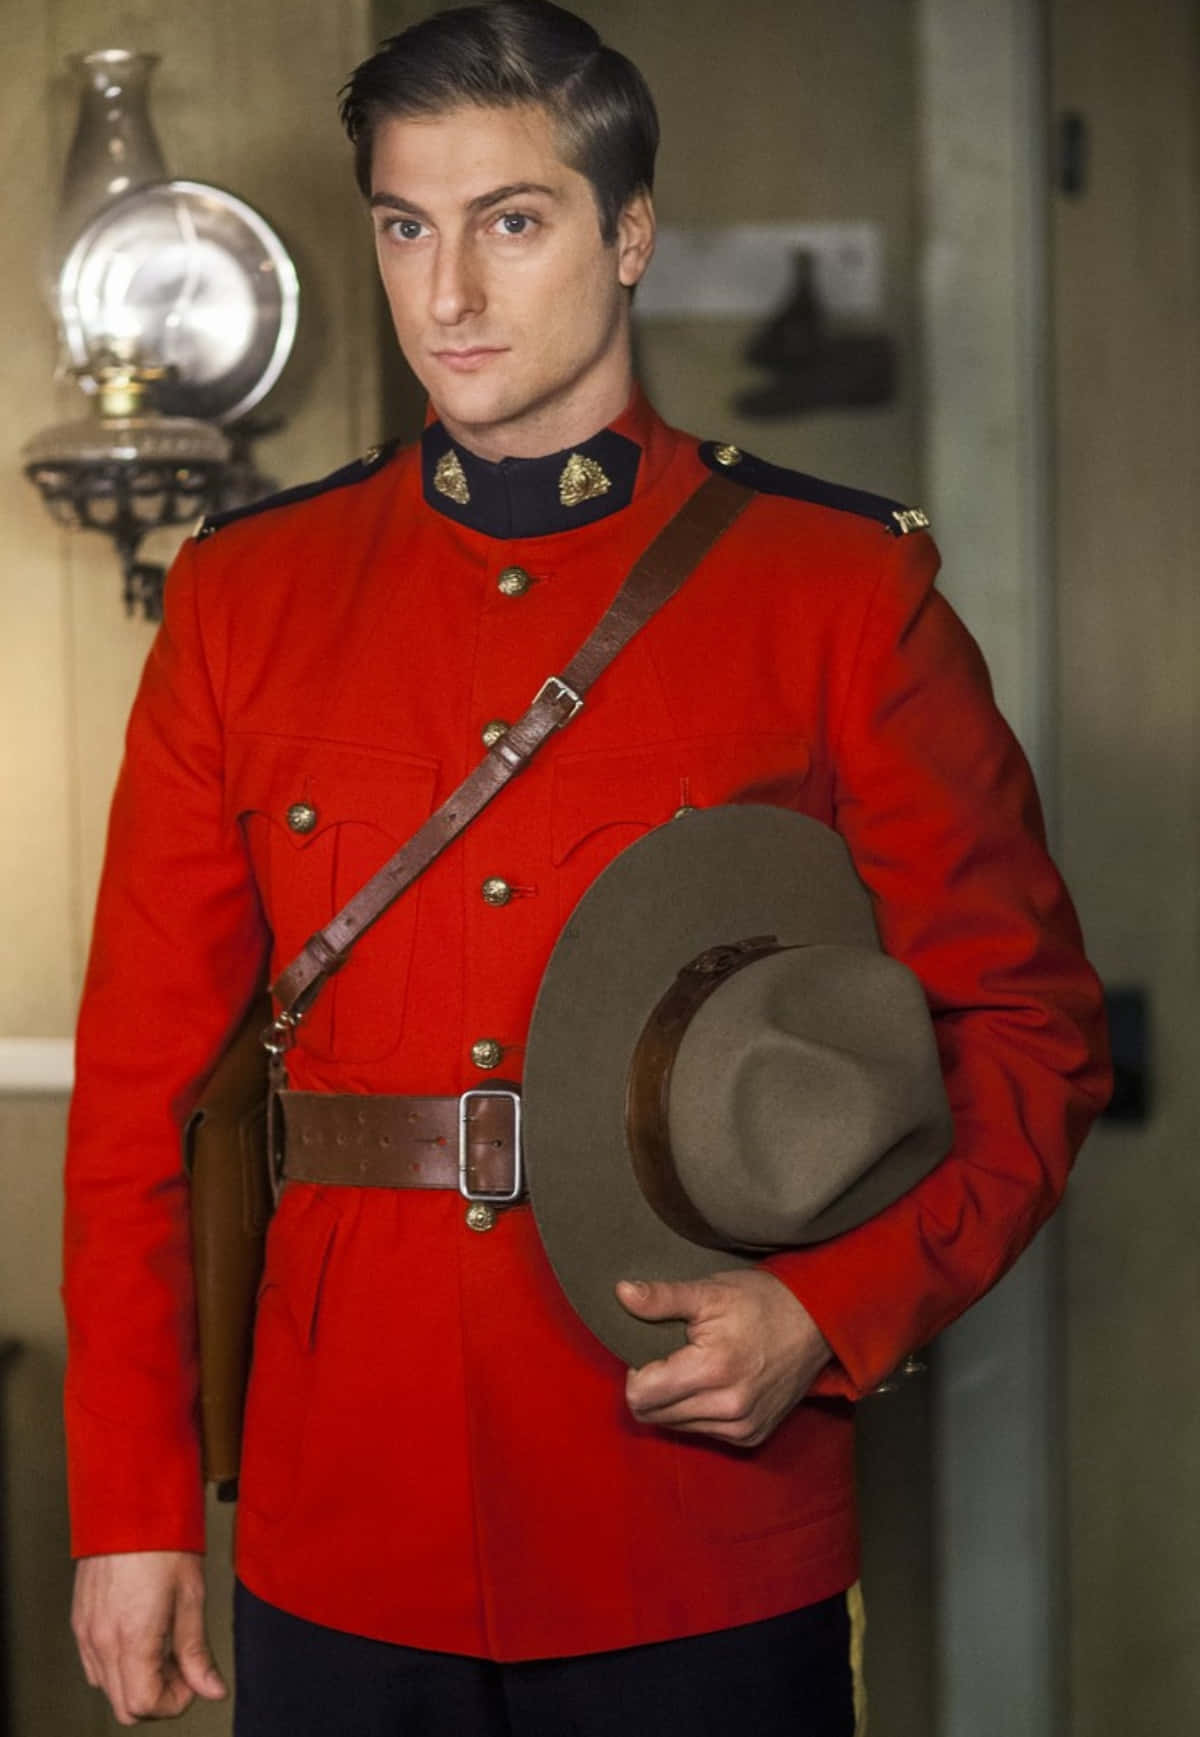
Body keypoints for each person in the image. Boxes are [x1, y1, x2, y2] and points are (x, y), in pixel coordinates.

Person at [62, 3, 1110, 1732]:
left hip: (691, 1515)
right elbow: (135, 1098)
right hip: (343, 1518)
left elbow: (1034, 1037)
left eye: (512, 220)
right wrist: (133, 1504)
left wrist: (828, 1311)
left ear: (629, 234)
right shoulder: (247, 597)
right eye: (406, 225)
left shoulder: (834, 597)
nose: (446, 294)